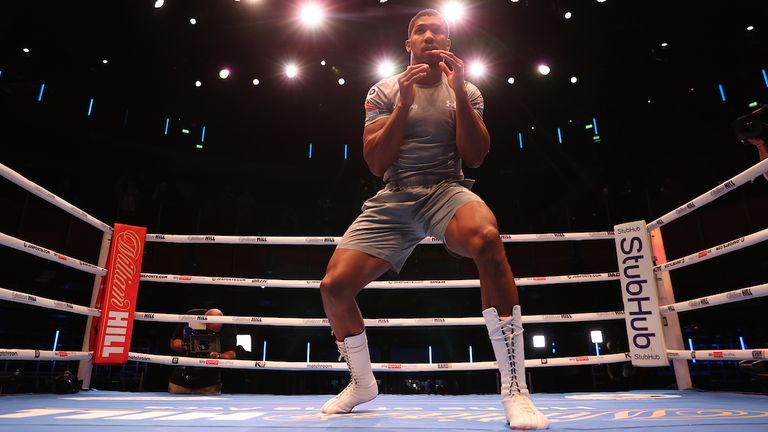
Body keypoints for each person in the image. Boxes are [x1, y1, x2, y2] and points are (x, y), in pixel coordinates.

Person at [318, 9, 549, 430]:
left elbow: (475, 156)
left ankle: (515, 389)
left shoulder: (469, 89)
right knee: (334, 287)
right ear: (408, 45)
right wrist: (404, 105)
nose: (428, 36)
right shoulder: (383, 90)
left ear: (448, 42)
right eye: (419, 31)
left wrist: (459, 92)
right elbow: (375, 163)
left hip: (446, 188)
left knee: (487, 240)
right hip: (395, 195)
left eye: (437, 30)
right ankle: (362, 383)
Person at [168, 308, 237, 394]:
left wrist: (218, 356)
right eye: (209, 328)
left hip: (209, 383)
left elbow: (231, 354)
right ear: (205, 323)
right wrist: (187, 345)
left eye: (215, 331)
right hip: (181, 380)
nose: (211, 332)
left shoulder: (228, 325)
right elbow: (173, 343)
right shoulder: (192, 316)